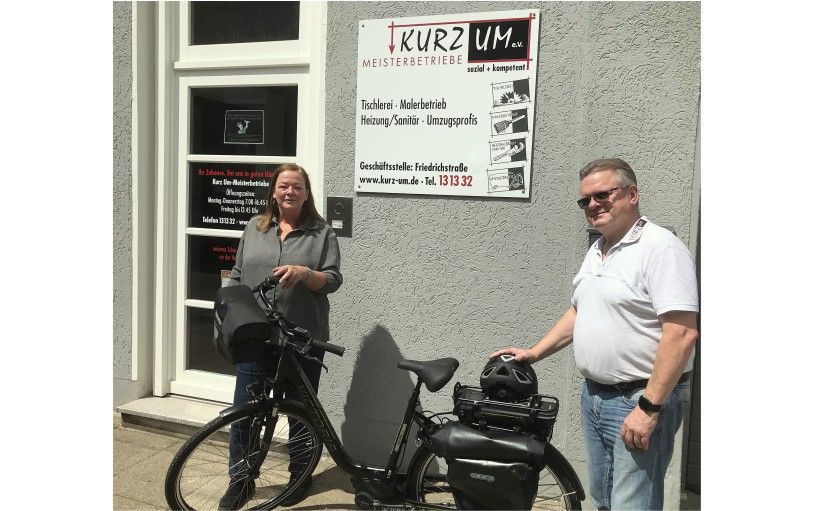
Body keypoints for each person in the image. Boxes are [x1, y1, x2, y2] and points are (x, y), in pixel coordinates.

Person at [491, 158, 698, 510]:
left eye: (602, 194)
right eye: (584, 200)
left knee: (633, 504)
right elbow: (579, 311)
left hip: (639, 399)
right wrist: (534, 352)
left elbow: (681, 333)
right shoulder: (599, 249)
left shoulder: (661, 249)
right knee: (603, 499)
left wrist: (649, 408)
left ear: (632, 194)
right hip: (596, 399)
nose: (592, 205)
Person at [220, 163, 343, 510]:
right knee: (246, 410)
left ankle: (299, 476)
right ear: (273, 191)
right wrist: (229, 311)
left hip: (303, 337)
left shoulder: (321, 233)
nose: (290, 192)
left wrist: (305, 273)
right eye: (284, 186)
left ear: (307, 194)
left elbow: (333, 281)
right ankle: (240, 479)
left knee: (301, 411)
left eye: (297, 187)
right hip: (256, 337)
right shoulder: (254, 227)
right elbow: (238, 275)